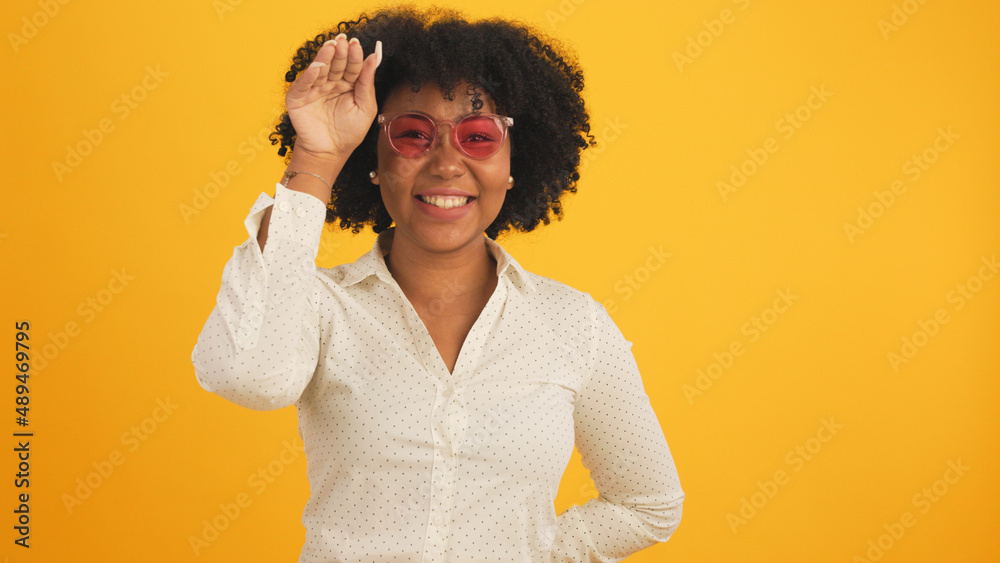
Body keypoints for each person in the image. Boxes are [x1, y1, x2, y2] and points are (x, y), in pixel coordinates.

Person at [192, 5, 683, 562]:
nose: (447, 164)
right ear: (373, 159)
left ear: (514, 162)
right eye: (412, 134)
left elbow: (648, 503)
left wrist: (532, 552)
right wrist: (317, 157)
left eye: (478, 136)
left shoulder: (574, 325)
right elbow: (248, 376)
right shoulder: (322, 309)